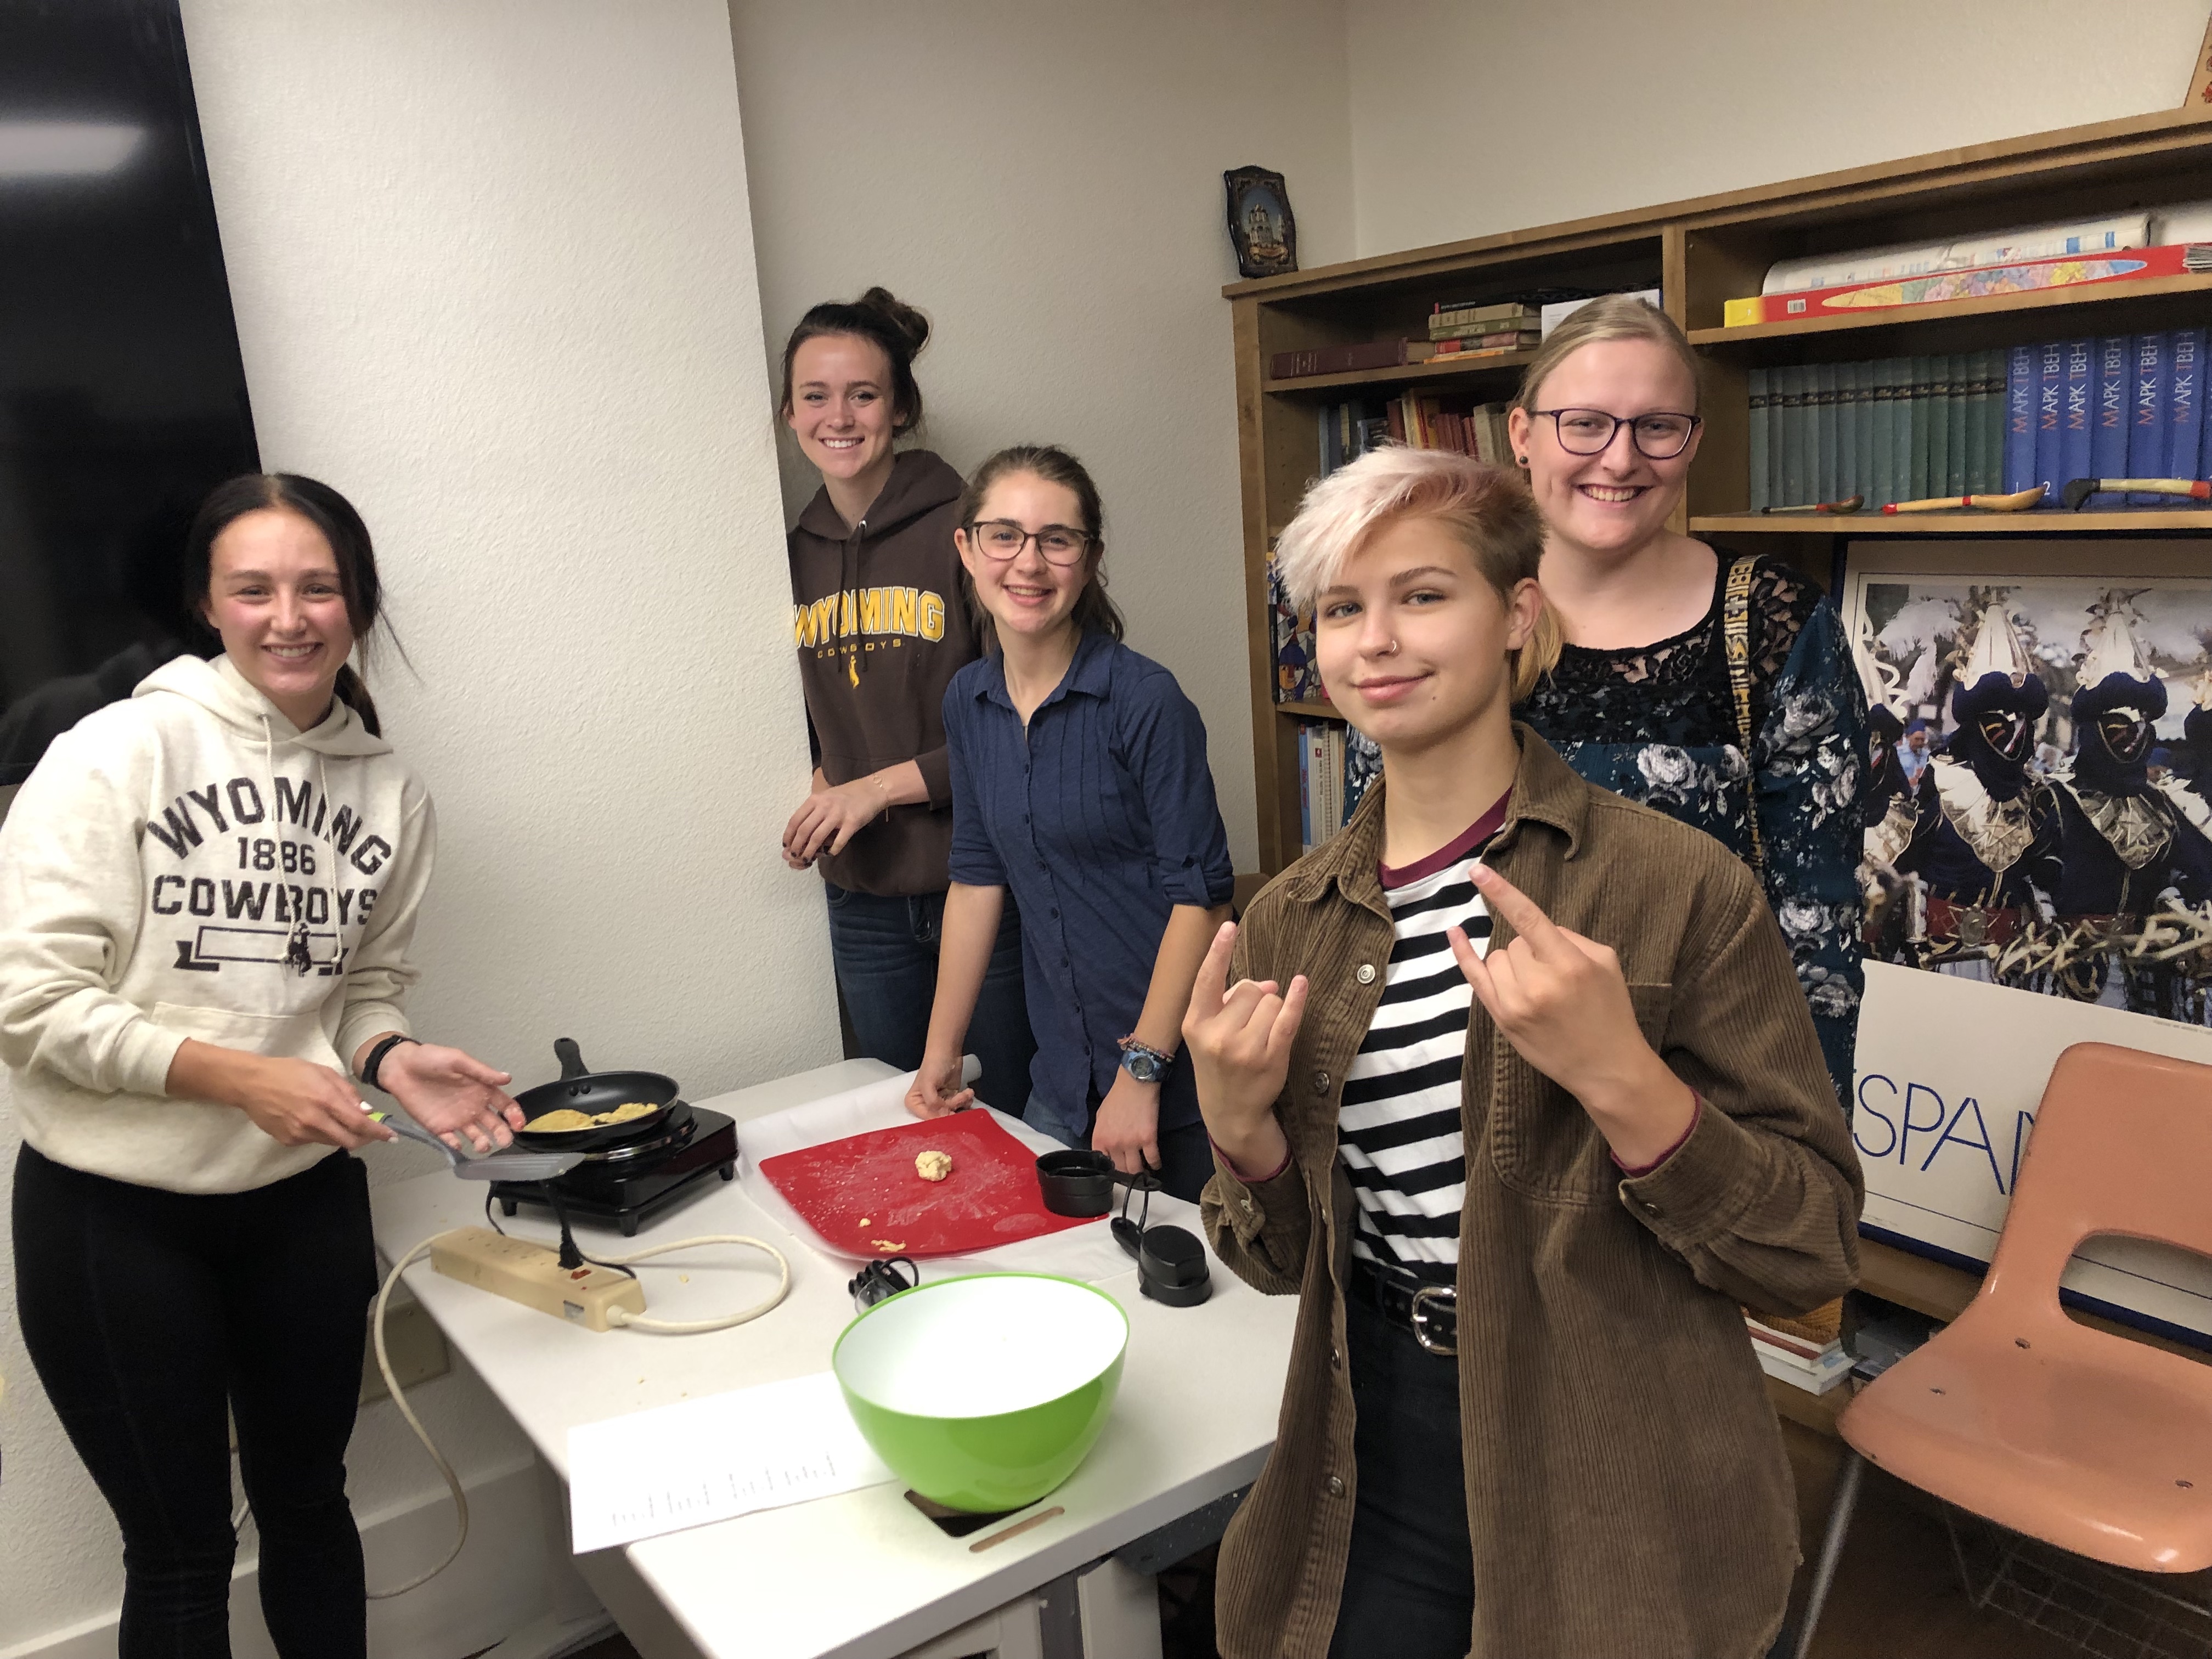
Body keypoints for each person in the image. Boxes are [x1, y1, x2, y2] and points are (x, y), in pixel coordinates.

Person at [1182, 446, 1860, 1659]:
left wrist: (1625, 1082)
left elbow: (1808, 1246)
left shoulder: (1678, 887)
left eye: (1423, 594)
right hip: (1374, 1428)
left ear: (1518, 615)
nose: (1376, 639)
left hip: (1613, 1442)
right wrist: (1241, 1134)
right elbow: (1285, 1267)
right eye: (1343, 607)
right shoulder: (1291, 920)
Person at [1, 474, 524, 1658]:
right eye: (255, 589)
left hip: (302, 1212)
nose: (290, 617)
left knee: (309, 1507)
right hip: (114, 1224)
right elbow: (27, 1005)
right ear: (208, 605)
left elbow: (358, 991)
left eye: (318, 588)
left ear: (356, 603)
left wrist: (391, 1056)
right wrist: (237, 1076)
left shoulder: (389, 790)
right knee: (181, 1557)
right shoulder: (113, 752)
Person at [1503, 296, 1869, 1108]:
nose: (1621, 458)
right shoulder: (1454, 612)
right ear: (1523, 435)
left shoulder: (1773, 623)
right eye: (1585, 424)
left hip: (1701, 1090)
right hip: (1479, 1077)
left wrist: (1802, 1138)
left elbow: (1819, 926)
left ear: (1692, 441)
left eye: (1657, 426)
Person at [905, 445, 1234, 1201]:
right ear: (966, 549)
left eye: (1057, 539)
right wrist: (940, 1054)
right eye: (1004, 535)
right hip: (1060, 1076)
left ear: (1088, 562)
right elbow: (976, 876)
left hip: (1181, 1083)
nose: (1029, 562)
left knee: (1200, 1302)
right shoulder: (968, 700)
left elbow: (1204, 898)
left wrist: (1141, 1074)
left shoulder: (1145, 701)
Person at [780, 287, 1033, 1110]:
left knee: (1009, 1127)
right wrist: (822, 777)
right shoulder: (789, 556)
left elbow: (1018, 724)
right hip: (863, 901)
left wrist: (877, 786)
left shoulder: (966, 533)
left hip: (982, 882)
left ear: (900, 409)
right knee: (903, 1127)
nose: (839, 416)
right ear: (789, 414)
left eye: (863, 393)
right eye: (815, 395)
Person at [1897, 719, 1934, 783]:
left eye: (1922, 740)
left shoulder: (1928, 755)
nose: (1919, 743)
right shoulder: (1899, 754)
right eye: (1917, 739)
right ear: (1909, 737)